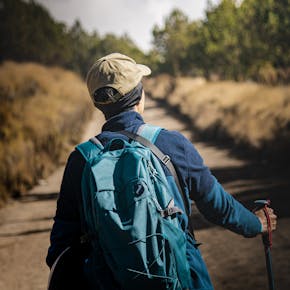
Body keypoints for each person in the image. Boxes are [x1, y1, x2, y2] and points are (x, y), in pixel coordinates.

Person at [46, 53, 277, 290]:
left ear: (98, 102)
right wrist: (257, 224)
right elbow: (217, 206)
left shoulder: (81, 160)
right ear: (139, 95)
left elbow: (62, 245)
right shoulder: (172, 144)